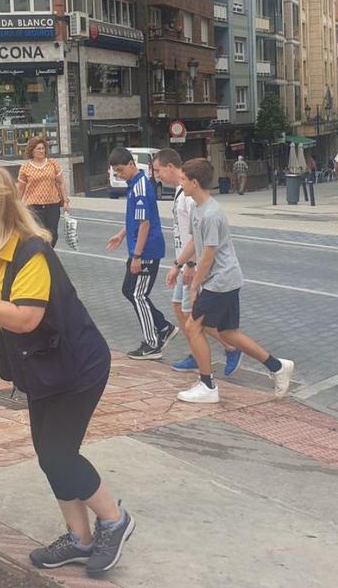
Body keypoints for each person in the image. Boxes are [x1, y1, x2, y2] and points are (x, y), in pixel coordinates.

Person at [0, 167, 134, 576]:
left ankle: (114, 520)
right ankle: (80, 540)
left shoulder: (32, 251)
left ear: (0, 204)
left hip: (77, 367)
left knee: (59, 454)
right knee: (50, 455)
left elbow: (24, 318)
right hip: (46, 369)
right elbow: (3, 294)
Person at [173, 158, 295, 404]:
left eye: (183, 179)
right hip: (221, 280)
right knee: (228, 333)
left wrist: (195, 286)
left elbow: (207, 256)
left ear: (195, 182)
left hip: (220, 280)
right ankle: (278, 366)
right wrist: (177, 265)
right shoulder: (198, 209)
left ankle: (207, 386)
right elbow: (194, 244)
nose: (180, 183)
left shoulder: (211, 214)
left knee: (192, 327)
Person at [151, 149, 243, 376]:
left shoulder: (189, 197)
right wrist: (177, 263)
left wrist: (189, 266)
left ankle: (226, 350)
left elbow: (197, 239)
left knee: (193, 316)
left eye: (158, 170)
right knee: (183, 311)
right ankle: (200, 351)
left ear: (170, 167)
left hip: (197, 268)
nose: (157, 175)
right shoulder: (180, 193)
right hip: (187, 263)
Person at [106, 147, 175, 359]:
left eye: (120, 170)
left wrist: (137, 256)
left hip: (146, 250)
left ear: (131, 164)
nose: (119, 174)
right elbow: (136, 219)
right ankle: (163, 327)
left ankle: (152, 343)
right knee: (129, 289)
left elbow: (145, 224)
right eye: (115, 172)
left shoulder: (140, 188)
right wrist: (121, 235)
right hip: (139, 248)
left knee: (138, 294)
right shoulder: (135, 184)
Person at [17, 137, 69, 248]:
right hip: (34, 206)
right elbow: (21, 188)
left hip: (53, 204)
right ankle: (42, 256)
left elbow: (60, 183)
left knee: (53, 234)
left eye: (43, 148)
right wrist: (17, 204)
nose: (42, 151)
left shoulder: (52, 164)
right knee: (38, 234)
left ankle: (48, 252)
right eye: (38, 149)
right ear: (32, 151)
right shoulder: (25, 168)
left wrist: (65, 201)